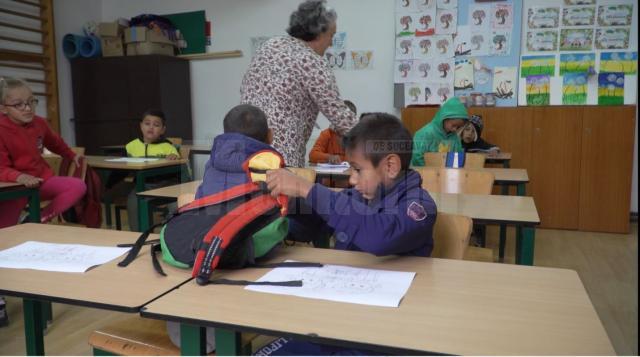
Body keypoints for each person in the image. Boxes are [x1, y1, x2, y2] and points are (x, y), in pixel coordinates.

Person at [262, 113, 436, 355]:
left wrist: (306, 188)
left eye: (357, 169)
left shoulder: (419, 206)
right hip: (340, 314)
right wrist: (287, 206)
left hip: (389, 330)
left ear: (390, 166)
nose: (352, 179)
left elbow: (379, 235)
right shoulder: (360, 195)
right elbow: (314, 224)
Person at [167, 104, 288, 353]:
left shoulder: (213, 160)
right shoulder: (270, 163)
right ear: (270, 136)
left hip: (201, 245)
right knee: (283, 226)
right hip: (246, 248)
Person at [240, 0, 358, 167]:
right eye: (331, 35)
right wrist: (379, 144)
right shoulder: (312, 62)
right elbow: (341, 117)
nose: (331, 43)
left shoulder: (269, 46)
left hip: (245, 153)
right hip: (281, 159)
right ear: (319, 32)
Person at [0, 77, 86, 228]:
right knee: (7, 231)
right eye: (18, 104)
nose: (27, 108)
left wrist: (71, 155)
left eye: (31, 101)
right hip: (13, 187)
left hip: (40, 181)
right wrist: (19, 177)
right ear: (3, 109)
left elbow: (55, 143)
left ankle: (37, 219)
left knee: (77, 186)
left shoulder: (39, 123)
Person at [103, 109, 180, 231]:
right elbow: (122, 168)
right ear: (141, 126)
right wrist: (108, 185)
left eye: (156, 125)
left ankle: (171, 236)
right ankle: (137, 236)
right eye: (147, 123)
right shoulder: (131, 146)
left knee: (175, 205)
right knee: (133, 202)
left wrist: (173, 158)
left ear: (163, 130)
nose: (151, 127)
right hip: (141, 186)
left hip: (165, 186)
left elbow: (178, 169)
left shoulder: (168, 147)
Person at [410, 97, 469, 166]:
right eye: (453, 125)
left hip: (447, 174)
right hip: (424, 174)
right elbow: (416, 157)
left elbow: (458, 158)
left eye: (458, 127)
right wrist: (431, 173)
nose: (455, 129)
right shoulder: (425, 134)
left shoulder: (455, 137)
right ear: (444, 118)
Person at [308, 100, 356, 164]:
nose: (344, 123)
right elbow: (312, 155)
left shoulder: (358, 137)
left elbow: (366, 159)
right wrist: (329, 157)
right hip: (329, 173)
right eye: (341, 118)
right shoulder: (327, 134)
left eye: (348, 119)